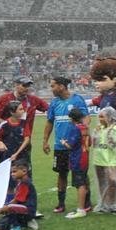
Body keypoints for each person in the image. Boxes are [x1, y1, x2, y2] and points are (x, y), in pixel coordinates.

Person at [41, 77, 88, 215]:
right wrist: (45, 141)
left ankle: (86, 203)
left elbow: (86, 118)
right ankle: (61, 203)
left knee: (80, 174)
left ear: (61, 86)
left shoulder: (77, 99)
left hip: (76, 147)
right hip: (60, 146)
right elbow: (50, 122)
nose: (52, 89)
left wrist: (84, 133)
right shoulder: (54, 103)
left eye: (53, 86)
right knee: (62, 174)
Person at [0, 78, 50, 173]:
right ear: (16, 85)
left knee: (25, 170)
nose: (26, 88)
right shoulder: (5, 99)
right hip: (7, 141)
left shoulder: (33, 100)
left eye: (28, 86)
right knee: (7, 170)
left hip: (25, 140)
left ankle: (24, 187)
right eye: (24, 85)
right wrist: (9, 125)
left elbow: (49, 109)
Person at [92, 106, 116, 213]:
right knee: (101, 182)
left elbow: (115, 145)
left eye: (102, 117)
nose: (100, 119)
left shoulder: (115, 129)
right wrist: (95, 135)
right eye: (99, 117)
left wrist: (109, 137)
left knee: (112, 181)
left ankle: (112, 203)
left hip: (110, 160)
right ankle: (103, 203)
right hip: (98, 159)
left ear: (109, 117)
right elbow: (94, 144)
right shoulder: (98, 128)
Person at [0, 160, 36, 230]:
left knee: (10, 207)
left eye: (14, 171)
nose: (12, 174)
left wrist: (3, 208)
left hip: (28, 210)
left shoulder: (25, 183)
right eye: (11, 172)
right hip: (20, 211)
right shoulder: (20, 182)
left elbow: (17, 200)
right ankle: (25, 223)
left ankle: (16, 227)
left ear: (24, 171)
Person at [61, 108, 91, 219]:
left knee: (80, 184)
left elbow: (70, 145)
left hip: (77, 158)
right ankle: (85, 206)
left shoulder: (75, 129)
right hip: (85, 156)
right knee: (84, 181)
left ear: (72, 118)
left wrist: (64, 142)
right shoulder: (86, 128)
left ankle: (81, 209)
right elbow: (90, 142)